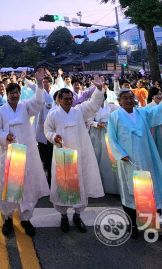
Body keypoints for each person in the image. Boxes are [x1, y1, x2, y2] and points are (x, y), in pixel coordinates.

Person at [107, 83, 162, 238]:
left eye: (131, 97)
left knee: (150, 193)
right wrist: (120, 154)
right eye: (125, 98)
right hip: (128, 162)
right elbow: (112, 138)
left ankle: (153, 226)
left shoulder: (142, 113)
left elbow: (159, 111)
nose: (129, 100)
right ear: (119, 101)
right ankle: (133, 225)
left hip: (146, 159)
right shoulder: (115, 116)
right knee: (131, 194)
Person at [44, 74, 106, 233]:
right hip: (62, 156)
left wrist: (99, 89)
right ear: (58, 99)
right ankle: (63, 216)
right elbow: (47, 131)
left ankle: (78, 215)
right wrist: (54, 137)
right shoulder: (53, 114)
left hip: (80, 155)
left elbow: (93, 104)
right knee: (63, 185)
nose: (69, 101)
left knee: (80, 184)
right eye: (65, 99)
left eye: (70, 98)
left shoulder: (79, 111)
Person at [0, 69, 49, 237]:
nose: (15, 95)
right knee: (9, 186)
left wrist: (38, 83)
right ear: (7, 94)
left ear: (19, 93)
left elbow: (39, 102)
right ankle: (8, 217)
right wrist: (5, 137)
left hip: (27, 153)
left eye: (17, 92)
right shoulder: (0, 111)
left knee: (28, 185)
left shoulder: (25, 107)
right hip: (9, 154)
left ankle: (26, 218)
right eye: (12, 93)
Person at [87, 94, 120, 194]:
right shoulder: (93, 108)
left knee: (108, 156)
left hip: (108, 130)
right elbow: (89, 121)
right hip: (97, 132)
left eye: (102, 97)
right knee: (97, 154)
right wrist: (97, 124)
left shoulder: (110, 107)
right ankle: (96, 182)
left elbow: (120, 111)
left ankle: (111, 183)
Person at [34, 75, 56, 186]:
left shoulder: (55, 92)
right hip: (41, 125)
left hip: (53, 126)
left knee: (50, 151)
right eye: (44, 82)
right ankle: (45, 167)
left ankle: (49, 177)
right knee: (42, 148)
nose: (45, 84)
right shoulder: (40, 92)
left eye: (47, 82)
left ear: (50, 83)